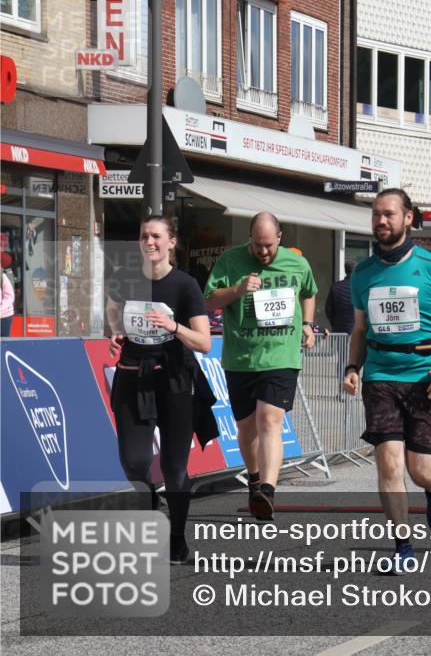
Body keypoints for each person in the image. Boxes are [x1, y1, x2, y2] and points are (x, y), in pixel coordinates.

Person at [342, 189, 431, 574]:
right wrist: (352, 366)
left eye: (388, 214)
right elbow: (360, 329)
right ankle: (402, 547)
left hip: (425, 377)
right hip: (380, 377)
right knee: (388, 463)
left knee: (420, 468)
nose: (381, 221)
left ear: (408, 218)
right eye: (376, 215)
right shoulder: (363, 273)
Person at [106, 216, 214, 564]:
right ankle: (150, 502)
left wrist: (173, 326)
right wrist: (116, 333)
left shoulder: (185, 285)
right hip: (133, 377)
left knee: (174, 468)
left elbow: (204, 342)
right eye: (144, 236)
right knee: (134, 461)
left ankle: (177, 539)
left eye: (156, 236)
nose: (149, 242)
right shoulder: (125, 279)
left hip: (174, 381)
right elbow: (113, 309)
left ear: (171, 242)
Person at [204, 213, 317, 520]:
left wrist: (307, 324)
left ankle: (267, 491)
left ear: (280, 237)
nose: (263, 251)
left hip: (281, 356)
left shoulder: (297, 263)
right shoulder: (230, 260)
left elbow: (309, 292)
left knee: (269, 420)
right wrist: (238, 290)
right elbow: (209, 301)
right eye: (257, 245)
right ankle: (254, 479)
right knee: (246, 428)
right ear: (249, 239)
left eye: (269, 245)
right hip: (241, 357)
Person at [324, 260, 356, 334]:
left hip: (339, 330)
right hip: (357, 332)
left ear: (345, 271)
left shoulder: (335, 287)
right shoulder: (361, 287)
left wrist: (334, 323)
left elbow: (328, 310)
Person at [1, 270, 14, 337]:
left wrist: (1, 309)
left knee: (4, 340)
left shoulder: (2, 276)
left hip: (4, 316)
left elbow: (9, 296)